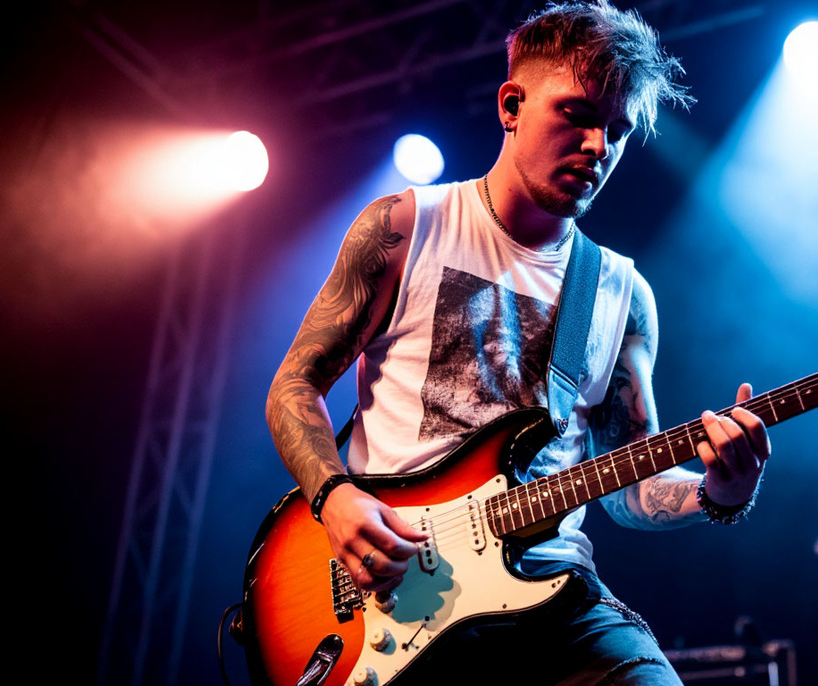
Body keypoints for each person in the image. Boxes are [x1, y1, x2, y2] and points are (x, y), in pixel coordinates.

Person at [265, 2, 770, 683]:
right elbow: (294, 386)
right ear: (511, 105)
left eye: (617, 131)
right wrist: (334, 498)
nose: (598, 147)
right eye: (577, 115)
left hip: (556, 602)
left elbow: (630, 487)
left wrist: (720, 490)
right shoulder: (406, 228)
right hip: (396, 594)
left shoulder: (621, 294)